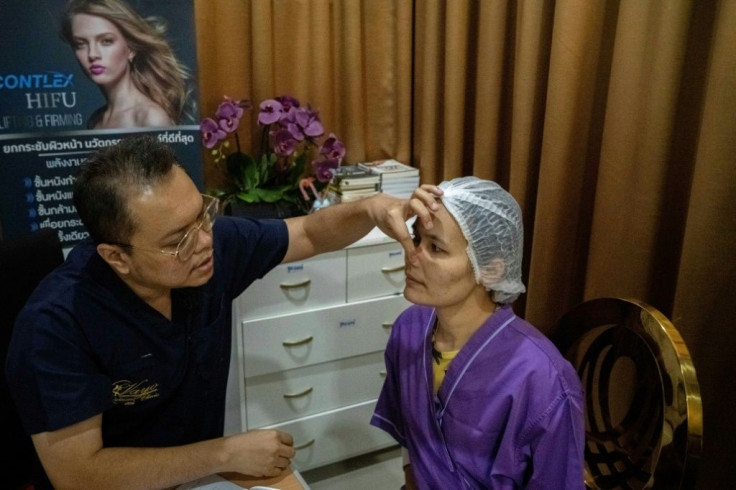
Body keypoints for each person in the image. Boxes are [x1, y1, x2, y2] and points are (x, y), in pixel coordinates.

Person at [4, 134, 434, 489]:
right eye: (178, 241)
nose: (205, 241)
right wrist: (226, 452)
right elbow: (78, 475)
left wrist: (372, 208)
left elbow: (310, 233)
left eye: (203, 215)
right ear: (117, 257)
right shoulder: (56, 324)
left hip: (195, 471)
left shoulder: (212, 248)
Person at [371, 176, 586, 489]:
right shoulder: (409, 330)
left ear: (491, 269)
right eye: (417, 239)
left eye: (436, 247)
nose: (413, 256)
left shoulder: (543, 381)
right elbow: (412, 440)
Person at [60, 0, 191, 129]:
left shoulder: (149, 119)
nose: (92, 54)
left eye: (106, 41)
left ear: (131, 49)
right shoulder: (97, 121)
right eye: (80, 44)